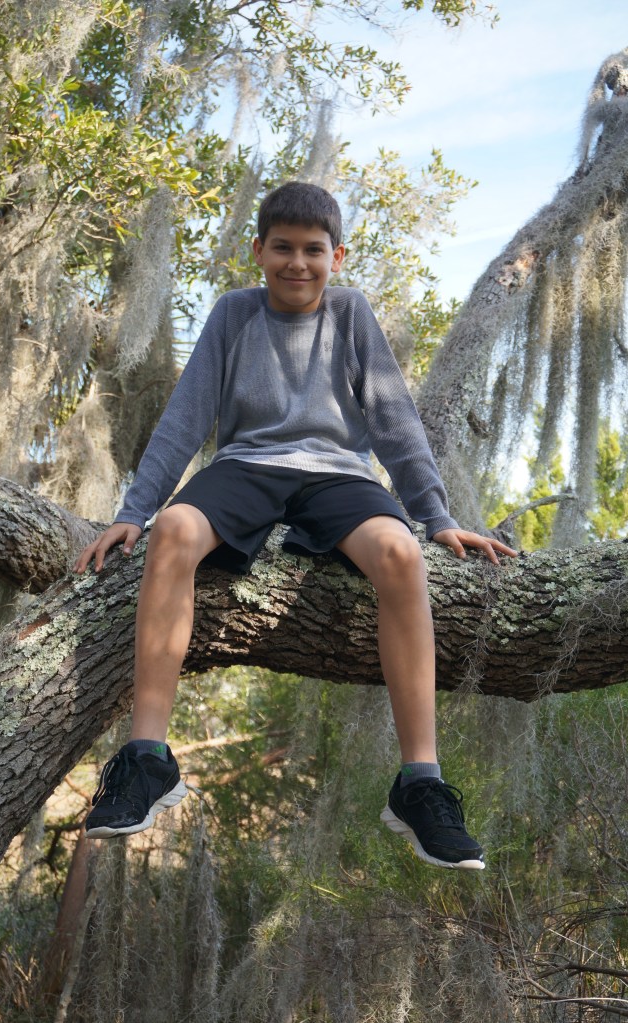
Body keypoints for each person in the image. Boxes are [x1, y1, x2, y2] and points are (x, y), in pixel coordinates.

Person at [73, 181, 517, 869]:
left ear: (337, 256)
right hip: (246, 467)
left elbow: (394, 421)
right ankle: (148, 759)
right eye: (283, 248)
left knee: (401, 555)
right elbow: (187, 416)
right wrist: (134, 511)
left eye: (314, 250)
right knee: (174, 531)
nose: (297, 263)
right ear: (258, 250)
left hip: (337, 474)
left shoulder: (351, 312)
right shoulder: (233, 313)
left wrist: (436, 516)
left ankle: (420, 784)